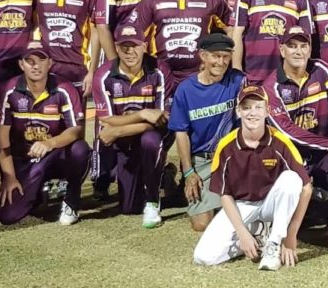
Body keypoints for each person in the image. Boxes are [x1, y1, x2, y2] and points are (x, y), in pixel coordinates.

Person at [192, 85, 313, 270]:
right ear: (238, 112)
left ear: (267, 111)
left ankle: (273, 244)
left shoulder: (280, 142)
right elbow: (225, 194)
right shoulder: (226, 146)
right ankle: (257, 234)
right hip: (242, 205)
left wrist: (291, 235)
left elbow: (306, 188)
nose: (252, 113)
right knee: (204, 257)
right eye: (246, 107)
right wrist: (242, 233)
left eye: (258, 107)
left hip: (272, 205)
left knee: (291, 179)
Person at [264, 26, 328, 243]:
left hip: (322, 155)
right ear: (282, 50)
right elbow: (287, 131)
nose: (298, 51)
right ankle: (290, 220)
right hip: (289, 158)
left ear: (309, 49)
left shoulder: (321, 69)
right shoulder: (272, 86)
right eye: (292, 46)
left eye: (303, 46)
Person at [0, 42, 90, 226]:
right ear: (21, 65)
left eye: (41, 60)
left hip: (54, 155)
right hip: (23, 159)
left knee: (80, 149)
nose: (35, 66)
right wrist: (9, 177)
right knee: (8, 216)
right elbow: (1, 139)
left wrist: (49, 143)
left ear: (50, 63)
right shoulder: (7, 91)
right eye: (29, 61)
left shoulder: (64, 88)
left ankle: (72, 200)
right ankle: (39, 194)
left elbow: (76, 129)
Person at [92, 24, 168, 227]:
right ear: (116, 48)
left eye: (134, 46)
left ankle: (153, 199)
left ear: (144, 46)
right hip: (123, 142)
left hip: (148, 136)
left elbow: (161, 120)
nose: (129, 52)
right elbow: (106, 119)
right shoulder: (103, 75)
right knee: (129, 208)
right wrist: (143, 114)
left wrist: (119, 129)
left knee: (151, 141)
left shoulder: (160, 70)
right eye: (124, 47)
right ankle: (163, 176)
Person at [169, 34, 246, 231]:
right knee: (201, 224)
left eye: (226, 56)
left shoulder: (238, 80)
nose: (221, 62)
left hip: (233, 157)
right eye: (215, 56)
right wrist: (188, 172)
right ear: (203, 56)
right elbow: (181, 134)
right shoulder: (185, 90)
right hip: (203, 160)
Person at [136, 0, 231, 90]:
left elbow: (233, 28)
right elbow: (136, 35)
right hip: (161, 74)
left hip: (199, 75)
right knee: (164, 113)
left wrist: (221, 59)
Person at [32, 0, 99, 94]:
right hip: (47, 66)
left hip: (77, 67)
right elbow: (33, 26)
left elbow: (96, 34)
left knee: (76, 117)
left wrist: (92, 71)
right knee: (47, 115)